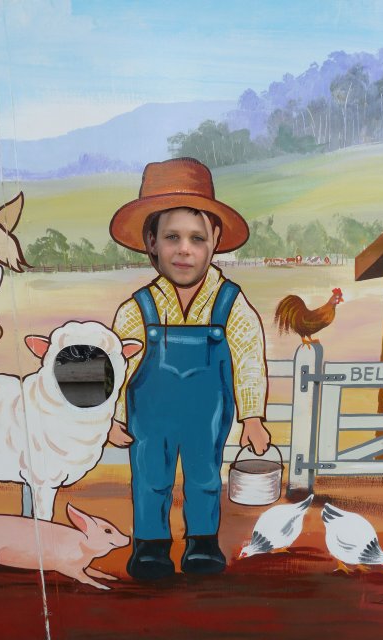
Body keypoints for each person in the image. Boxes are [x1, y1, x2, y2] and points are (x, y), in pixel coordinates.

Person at [108, 157, 270, 580]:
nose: (184, 249)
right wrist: (113, 418)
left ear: (215, 240)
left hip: (206, 414)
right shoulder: (135, 310)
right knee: (149, 478)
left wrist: (252, 416)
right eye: (172, 237)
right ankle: (150, 546)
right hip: (150, 417)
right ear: (151, 243)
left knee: (203, 475)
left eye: (197, 238)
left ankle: (201, 542)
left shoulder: (231, 303)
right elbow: (116, 371)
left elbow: (249, 359)